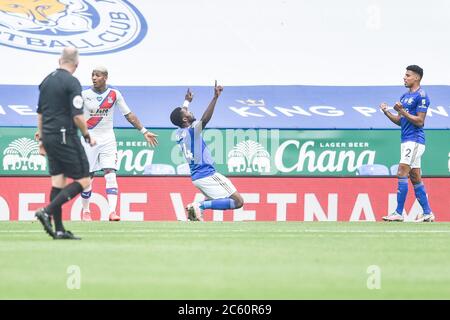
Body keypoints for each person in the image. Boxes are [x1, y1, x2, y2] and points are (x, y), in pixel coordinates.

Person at [80, 66, 158, 221]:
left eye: (97, 75)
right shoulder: (84, 94)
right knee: (88, 177)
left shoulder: (114, 94)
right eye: (92, 75)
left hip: (108, 139)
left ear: (105, 77)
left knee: (110, 174)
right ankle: (86, 211)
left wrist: (144, 131)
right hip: (90, 139)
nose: (94, 78)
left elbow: (128, 114)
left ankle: (112, 212)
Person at [34, 47, 96, 240]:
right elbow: (77, 116)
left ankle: (59, 229)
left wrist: (42, 140)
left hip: (49, 136)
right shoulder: (72, 82)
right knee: (85, 180)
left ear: (59, 60)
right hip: (64, 135)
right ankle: (47, 211)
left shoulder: (46, 81)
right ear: (76, 65)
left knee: (58, 182)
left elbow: (41, 114)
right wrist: (87, 135)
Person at [170, 81, 244, 221]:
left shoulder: (179, 133)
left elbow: (182, 116)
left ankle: (196, 211)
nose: (190, 111)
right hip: (207, 174)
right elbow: (205, 119)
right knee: (238, 201)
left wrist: (186, 101)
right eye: (187, 112)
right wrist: (215, 97)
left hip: (197, 177)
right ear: (185, 119)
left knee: (234, 201)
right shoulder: (192, 132)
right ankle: (199, 206)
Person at [380, 65, 434, 222]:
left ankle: (398, 212)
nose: (404, 77)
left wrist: (402, 111)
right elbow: (400, 121)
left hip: (415, 140)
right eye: (405, 75)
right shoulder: (404, 96)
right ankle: (427, 212)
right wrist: (386, 111)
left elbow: (420, 121)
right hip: (406, 141)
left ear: (416, 77)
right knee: (415, 177)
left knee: (401, 171)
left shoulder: (422, 96)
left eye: (408, 75)